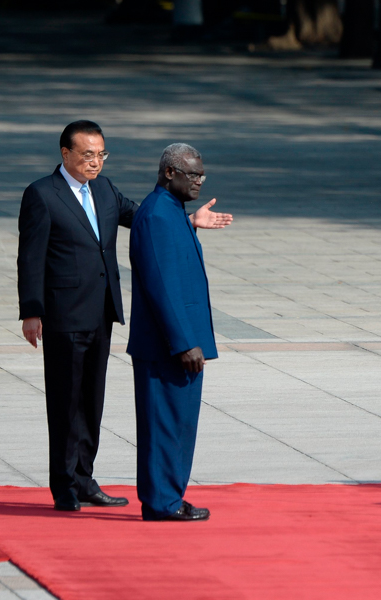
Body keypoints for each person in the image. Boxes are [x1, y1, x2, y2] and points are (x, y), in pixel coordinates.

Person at [17, 121, 232, 512]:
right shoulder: (42, 194)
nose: (95, 162)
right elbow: (30, 258)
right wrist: (32, 311)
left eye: (101, 154)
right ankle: (64, 486)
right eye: (87, 154)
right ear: (65, 154)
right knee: (66, 403)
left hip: (101, 312)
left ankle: (84, 479)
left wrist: (189, 222)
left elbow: (145, 220)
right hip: (64, 314)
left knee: (91, 402)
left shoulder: (104, 188)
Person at [128, 144, 219, 522]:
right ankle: (161, 502)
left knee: (179, 425)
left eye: (201, 175)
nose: (198, 181)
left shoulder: (172, 213)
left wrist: (193, 224)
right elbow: (161, 286)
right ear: (169, 173)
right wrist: (183, 342)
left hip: (179, 343)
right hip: (168, 346)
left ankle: (170, 496)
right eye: (192, 174)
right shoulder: (156, 217)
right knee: (163, 426)